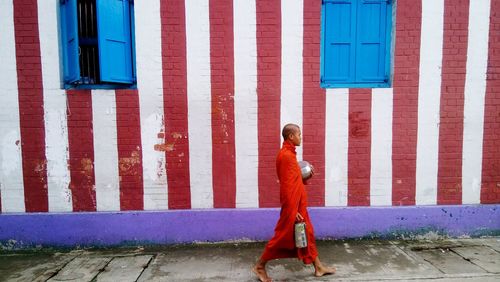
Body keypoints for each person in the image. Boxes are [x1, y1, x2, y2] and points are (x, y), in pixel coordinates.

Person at [253, 124, 336, 282]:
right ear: (291, 136)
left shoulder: (289, 155)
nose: (301, 137)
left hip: (298, 206)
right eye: (299, 134)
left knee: (308, 234)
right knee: (281, 238)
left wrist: (305, 176)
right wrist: (293, 211)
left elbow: (294, 181)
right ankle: (259, 266)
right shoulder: (286, 156)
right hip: (293, 208)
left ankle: (318, 267)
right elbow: (287, 187)